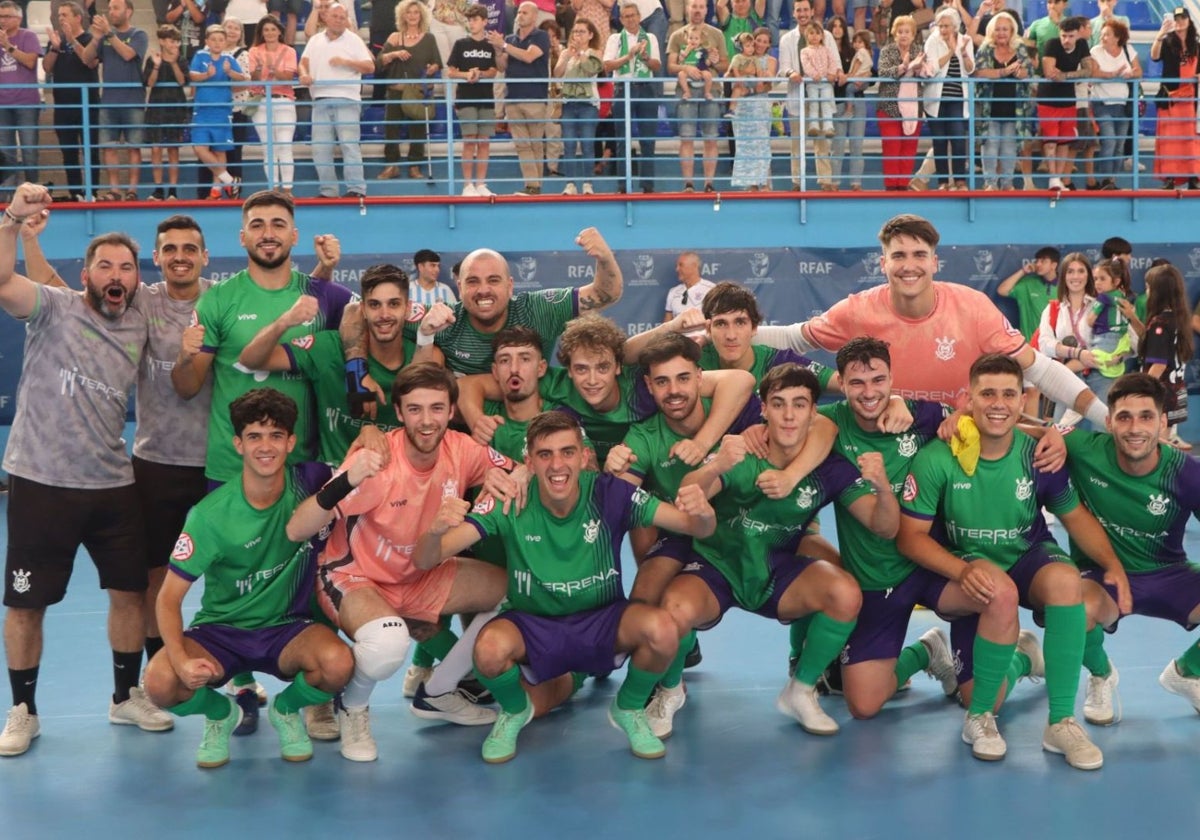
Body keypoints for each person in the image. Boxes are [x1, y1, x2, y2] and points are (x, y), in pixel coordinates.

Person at [416, 410, 718, 763]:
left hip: (601, 620)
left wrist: (704, 513)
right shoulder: (511, 499)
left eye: (567, 452)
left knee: (663, 630)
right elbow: (426, 560)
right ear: (529, 460)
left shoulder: (611, 494)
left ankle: (629, 708)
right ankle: (514, 711)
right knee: (488, 650)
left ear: (584, 456)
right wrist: (435, 530)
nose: (557, 465)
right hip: (535, 623)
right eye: (545, 455)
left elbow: (694, 527)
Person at [0, 183, 173, 757]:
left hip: (112, 484)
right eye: (105, 265)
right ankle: (23, 708)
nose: (115, 274)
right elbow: (4, 282)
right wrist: (12, 220)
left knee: (129, 593)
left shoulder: (141, 321)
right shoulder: (54, 308)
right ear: (87, 274)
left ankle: (125, 697)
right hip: (41, 480)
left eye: (126, 266)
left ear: (135, 276)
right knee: (27, 603)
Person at [898, 353, 1126, 770]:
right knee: (979, 688)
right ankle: (981, 712)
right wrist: (962, 570)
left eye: (1008, 393)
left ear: (1024, 401)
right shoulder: (938, 456)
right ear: (967, 399)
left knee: (1065, 582)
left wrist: (1114, 567)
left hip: (1026, 556)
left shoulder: (1038, 454)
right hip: (968, 567)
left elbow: (1074, 517)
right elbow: (910, 538)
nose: (998, 403)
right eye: (987, 393)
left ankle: (1061, 722)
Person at [285, 364, 523, 761]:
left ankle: (439, 690)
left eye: (436, 408)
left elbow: (520, 470)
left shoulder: (462, 449)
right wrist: (346, 480)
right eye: (415, 409)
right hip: (356, 575)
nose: (426, 421)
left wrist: (511, 479)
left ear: (451, 411)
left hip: (420, 572)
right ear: (398, 412)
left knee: (515, 592)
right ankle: (354, 707)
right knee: (387, 643)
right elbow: (297, 529)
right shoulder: (377, 462)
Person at [653, 364, 898, 738]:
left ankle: (800, 690)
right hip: (717, 567)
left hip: (776, 570)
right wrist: (716, 464)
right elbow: (691, 492)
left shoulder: (828, 467)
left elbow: (885, 527)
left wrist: (882, 488)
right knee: (672, 609)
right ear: (763, 409)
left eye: (799, 405)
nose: (788, 415)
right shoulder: (743, 450)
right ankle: (670, 691)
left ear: (814, 412)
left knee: (844, 592)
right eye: (778, 404)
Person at [142, 388, 353, 768]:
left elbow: (361, 464)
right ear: (238, 444)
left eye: (276, 435)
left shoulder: (312, 480)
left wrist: (369, 433)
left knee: (338, 664)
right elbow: (168, 599)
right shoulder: (208, 515)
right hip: (222, 630)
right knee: (159, 683)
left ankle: (286, 710)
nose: (265, 446)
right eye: (254, 436)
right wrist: (182, 661)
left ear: (291, 441)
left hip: (288, 628)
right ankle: (221, 714)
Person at [755, 214, 1110, 429]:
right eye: (898, 256)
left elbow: (1042, 371)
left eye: (919, 255)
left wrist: (1106, 418)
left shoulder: (973, 307)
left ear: (935, 262)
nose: (909, 265)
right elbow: (794, 337)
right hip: (888, 448)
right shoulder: (858, 310)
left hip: (954, 443)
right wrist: (723, 333)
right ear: (883, 264)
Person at [170, 190, 353, 485]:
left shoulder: (320, 295)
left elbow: (370, 322)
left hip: (302, 467)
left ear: (294, 236)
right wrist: (183, 357)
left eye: (278, 225)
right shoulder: (217, 300)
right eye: (257, 225)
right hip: (232, 469)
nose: (268, 234)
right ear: (243, 237)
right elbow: (187, 388)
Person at [1062, 374, 1200, 726]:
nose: (1134, 427)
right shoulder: (1084, 449)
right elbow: (1019, 426)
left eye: (1146, 416)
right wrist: (1047, 431)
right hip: (1102, 577)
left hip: (1170, 574)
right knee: (1072, 609)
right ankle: (1101, 673)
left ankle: (1187, 671)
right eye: (1124, 417)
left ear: (1163, 423)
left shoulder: (1185, 474)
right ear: (1108, 422)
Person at [238, 263, 416, 461]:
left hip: (397, 482)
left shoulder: (421, 355)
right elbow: (250, 359)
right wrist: (285, 322)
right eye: (375, 305)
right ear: (363, 309)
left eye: (394, 304)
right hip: (331, 480)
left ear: (407, 308)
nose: (384, 315)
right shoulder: (328, 348)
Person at [412, 228, 622, 375]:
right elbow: (383, 317)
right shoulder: (441, 319)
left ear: (510, 286)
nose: (483, 290)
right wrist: (424, 334)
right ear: (459, 287)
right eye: (473, 281)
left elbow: (606, 293)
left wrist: (605, 258)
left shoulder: (538, 310)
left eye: (493, 280)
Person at [299, 2, 374, 199]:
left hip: (346, 98)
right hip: (320, 99)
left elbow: (369, 66)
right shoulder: (315, 40)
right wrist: (304, 75)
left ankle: (356, 189)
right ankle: (328, 191)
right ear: (325, 17)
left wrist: (346, 62)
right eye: (336, 16)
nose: (339, 20)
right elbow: (303, 62)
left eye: (343, 17)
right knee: (320, 148)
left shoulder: (354, 40)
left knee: (349, 145)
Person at [81, 0, 149, 201]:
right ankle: (115, 190)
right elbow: (87, 60)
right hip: (109, 99)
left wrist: (109, 34)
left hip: (133, 100)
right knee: (108, 146)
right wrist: (95, 39)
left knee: (133, 146)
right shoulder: (104, 37)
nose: (111, 12)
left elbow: (128, 55)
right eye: (109, 8)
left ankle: (132, 190)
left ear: (128, 11)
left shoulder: (139, 35)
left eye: (116, 8)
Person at [489, 2, 552, 196]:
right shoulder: (510, 39)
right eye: (518, 12)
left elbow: (529, 57)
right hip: (513, 98)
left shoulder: (541, 36)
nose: (520, 15)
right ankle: (532, 185)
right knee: (522, 145)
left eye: (524, 12)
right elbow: (501, 67)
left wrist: (505, 46)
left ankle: (536, 185)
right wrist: (499, 51)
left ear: (534, 17)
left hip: (535, 97)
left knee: (535, 144)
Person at [667, 0, 729, 193]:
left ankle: (709, 184)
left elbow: (725, 66)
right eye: (694, 6)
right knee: (687, 138)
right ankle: (689, 184)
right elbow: (670, 67)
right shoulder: (677, 35)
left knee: (711, 138)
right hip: (686, 90)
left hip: (710, 89)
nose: (697, 10)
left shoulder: (717, 34)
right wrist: (686, 67)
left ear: (706, 10)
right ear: (687, 9)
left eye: (701, 6)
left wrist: (714, 62)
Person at [376, 0, 441, 182]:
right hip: (396, 91)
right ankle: (391, 166)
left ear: (422, 15)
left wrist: (431, 69)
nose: (412, 16)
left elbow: (437, 63)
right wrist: (394, 54)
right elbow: (379, 62)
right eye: (409, 12)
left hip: (417, 92)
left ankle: (415, 166)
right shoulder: (394, 37)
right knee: (391, 129)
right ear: (403, 16)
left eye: (416, 12)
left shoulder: (429, 38)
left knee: (418, 129)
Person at [42, 2, 101, 202]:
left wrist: (72, 40)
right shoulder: (57, 40)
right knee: (69, 152)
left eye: (65, 15)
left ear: (78, 17)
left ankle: (92, 192)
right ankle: (75, 192)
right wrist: (56, 48)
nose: (61, 19)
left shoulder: (90, 38)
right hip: (63, 105)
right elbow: (47, 67)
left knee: (90, 150)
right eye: (59, 16)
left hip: (87, 105)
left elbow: (90, 62)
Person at [780, 0, 841, 190]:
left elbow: (836, 63)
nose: (802, 13)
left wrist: (835, 73)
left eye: (806, 10)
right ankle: (797, 182)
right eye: (799, 10)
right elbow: (784, 67)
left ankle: (825, 182)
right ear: (794, 13)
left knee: (822, 142)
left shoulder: (827, 36)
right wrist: (792, 73)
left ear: (813, 11)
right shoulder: (787, 39)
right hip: (798, 96)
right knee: (797, 144)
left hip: (821, 96)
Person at [602, 1, 661, 194]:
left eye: (633, 15)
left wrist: (644, 58)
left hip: (646, 89)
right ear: (621, 20)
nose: (630, 19)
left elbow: (657, 66)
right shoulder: (615, 39)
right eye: (626, 16)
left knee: (648, 139)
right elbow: (607, 66)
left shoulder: (650, 37)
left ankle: (648, 186)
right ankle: (623, 186)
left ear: (639, 17)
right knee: (622, 139)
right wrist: (628, 56)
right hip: (623, 88)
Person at [973, 11, 1036, 191]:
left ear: (1012, 31)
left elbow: (1028, 73)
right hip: (989, 109)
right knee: (990, 148)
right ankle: (990, 183)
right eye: (998, 29)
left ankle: (1007, 183)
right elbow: (979, 72)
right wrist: (1004, 72)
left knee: (1009, 149)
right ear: (992, 31)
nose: (1001, 33)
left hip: (1014, 109)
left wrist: (1019, 73)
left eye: (1005, 29)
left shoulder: (1020, 49)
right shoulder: (985, 49)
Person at [447, 4, 500, 197]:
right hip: (466, 98)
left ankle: (481, 184)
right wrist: (466, 74)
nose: (472, 23)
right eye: (470, 20)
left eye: (476, 19)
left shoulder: (490, 45)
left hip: (486, 98)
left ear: (485, 21)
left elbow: (494, 71)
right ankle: (467, 185)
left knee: (484, 142)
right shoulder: (461, 44)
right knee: (469, 141)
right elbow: (450, 72)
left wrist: (482, 74)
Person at [189, 24, 247, 200]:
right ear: (207, 41)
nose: (217, 42)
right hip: (202, 111)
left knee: (220, 150)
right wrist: (206, 75)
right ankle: (229, 180)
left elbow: (244, 78)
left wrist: (230, 72)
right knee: (199, 148)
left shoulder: (229, 59)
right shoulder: (200, 56)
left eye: (221, 39)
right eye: (213, 39)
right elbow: (192, 75)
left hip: (222, 111)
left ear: (225, 42)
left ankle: (216, 191)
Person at [874, 15, 931, 191]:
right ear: (894, 34)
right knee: (892, 146)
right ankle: (891, 187)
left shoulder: (919, 51)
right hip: (889, 108)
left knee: (909, 148)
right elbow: (883, 72)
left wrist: (919, 68)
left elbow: (928, 72)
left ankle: (903, 185)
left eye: (907, 32)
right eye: (900, 32)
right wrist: (903, 68)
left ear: (913, 34)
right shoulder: (887, 51)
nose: (904, 35)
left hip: (913, 108)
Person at [1139, 263, 1192, 445]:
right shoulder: (1179, 319)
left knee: (1156, 449)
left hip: (1161, 394)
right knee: (1164, 445)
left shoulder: (1159, 324)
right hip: (1176, 391)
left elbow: (1159, 365)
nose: (1145, 292)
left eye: (1148, 287)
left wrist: (1139, 390)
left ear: (1157, 292)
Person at [1038, 16, 1093, 192]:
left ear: (1078, 35)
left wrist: (1066, 75)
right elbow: (1049, 73)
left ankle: (1058, 179)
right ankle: (1053, 179)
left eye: (1070, 36)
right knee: (1051, 142)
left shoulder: (1083, 45)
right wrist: (1072, 74)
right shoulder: (1052, 44)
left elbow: (1089, 71)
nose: (1066, 40)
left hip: (1069, 100)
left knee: (1064, 142)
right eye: (1063, 36)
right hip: (1048, 99)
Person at [923, 7, 974, 191]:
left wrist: (963, 52)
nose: (943, 29)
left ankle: (960, 180)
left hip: (957, 98)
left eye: (946, 26)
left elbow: (970, 69)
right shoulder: (932, 41)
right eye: (940, 26)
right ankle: (943, 181)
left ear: (955, 26)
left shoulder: (964, 40)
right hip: (936, 100)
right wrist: (951, 52)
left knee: (958, 139)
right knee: (940, 141)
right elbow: (932, 68)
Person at [247, 14, 299, 196]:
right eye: (266, 30)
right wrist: (261, 70)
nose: (269, 33)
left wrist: (273, 68)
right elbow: (253, 78)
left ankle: (287, 190)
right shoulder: (253, 51)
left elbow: (288, 78)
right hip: (261, 101)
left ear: (279, 32)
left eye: (273, 29)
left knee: (285, 145)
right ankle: (273, 189)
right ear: (261, 33)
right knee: (268, 147)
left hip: (284, 100)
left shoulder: (289, 51)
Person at [1149, 8, 1200, 190]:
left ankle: (1193, 177)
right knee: (1170, 140)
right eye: (1177, 19)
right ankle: (1170, 178)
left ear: (1189, 20)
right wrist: (1160, 35)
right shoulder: (1168, 40)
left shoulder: (1197, 43)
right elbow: (1154, 57)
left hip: (1191, 99)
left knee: (1190, 141)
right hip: (1170, 98)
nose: (1180, 22)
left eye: (1183, 18)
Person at [555, 17, 605, 196]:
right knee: (568, 144)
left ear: (590, 35)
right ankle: (570, 184)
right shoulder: (565, 52)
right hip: (568, 103)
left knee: (587, 144)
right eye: (575, 31)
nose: (577, 35)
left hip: (588, 104)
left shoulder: (595, 52)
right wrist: (567, 55)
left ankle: (587, 184)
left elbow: (591, 70)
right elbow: (557, 73)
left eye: (581, 32)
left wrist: (581, 53)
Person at [1090, 19, 1139, 190]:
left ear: (1117, 37)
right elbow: (1094, 73)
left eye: (1107, 35)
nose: (1102, 37)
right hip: (1102, 103)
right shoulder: (1095, 51)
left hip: (1123, 105)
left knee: (1119, 145)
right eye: (1102, 34)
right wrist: (1114, 74)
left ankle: (1112, 180)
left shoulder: (1127, 49)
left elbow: (1138, 71)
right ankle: (1104, 179)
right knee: (1109, 141)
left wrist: (1130, 74)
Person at [0, 0, 42, 197]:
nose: (3, 20)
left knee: (29, 151)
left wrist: (7, 46)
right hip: (2, 105)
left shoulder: (28, 36)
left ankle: (33, 192)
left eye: (7, 16)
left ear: (19, 18)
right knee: (5, 154)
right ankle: (7, 194)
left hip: (26, 102)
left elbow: (30, 62)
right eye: (0, 17)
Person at [142, 25, 188, 201]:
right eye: (170, 40)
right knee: (155, 148)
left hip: (176, 108)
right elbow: (149, 83)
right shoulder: (153, 60)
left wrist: (174, 62)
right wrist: (156, 66)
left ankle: (173, 190)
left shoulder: (182, 60)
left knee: (173, 149)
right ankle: (158, 188)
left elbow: (182, 81)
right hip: (157, 107)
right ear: (161, 41)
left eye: (176, 41)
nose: (174, 44)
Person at [831, 19, 870, 191]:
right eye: (834, 26)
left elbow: (871, 72)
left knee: (857, 145)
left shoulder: (855, 50)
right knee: (837, 146)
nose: (837, 29)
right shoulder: (826, 52)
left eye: (841, 26)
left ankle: (856, 183)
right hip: (837, 102)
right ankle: (834, 183)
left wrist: (865, 80)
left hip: (858, 101)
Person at [997, 245, 1061, 343]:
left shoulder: (1065, 287)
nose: (1038, 264)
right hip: (1030, 346)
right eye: (1037, 261)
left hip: (1056, 346)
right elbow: (1002, 290)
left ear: (1054, 265)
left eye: (1043, 261)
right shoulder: (1028, 284)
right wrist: (1023, 271)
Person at [800, 21, 837, 139]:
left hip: (826, 82)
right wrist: (814, 74)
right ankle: (813, 126)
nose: (814, 36)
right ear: (807, 35)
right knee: (814, 103)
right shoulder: (804, 51)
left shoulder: (826, 49)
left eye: (817, 33)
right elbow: (806, 65)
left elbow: (833, 62)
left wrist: (832, 73)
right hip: (812, 82)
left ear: (822, 36)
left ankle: (828, 127)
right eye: (811, 33)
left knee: (826, 103)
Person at [662, 250, 714, 321]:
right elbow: (667, 324)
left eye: (681, 265)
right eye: (677, 266)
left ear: (694, 266)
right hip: (678, 332)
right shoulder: (673, 292)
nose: (677, 269)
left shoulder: (711, 290)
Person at [675, 25, 713, 101]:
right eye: (690, 38)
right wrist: (686, 52)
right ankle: (687, 92)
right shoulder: (683, 48)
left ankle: (707, 92)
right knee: (680, 74)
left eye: (696, 38)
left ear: (700, 40)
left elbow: (707, 63)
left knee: (708, 75)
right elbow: (680, 60)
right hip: (687, 71)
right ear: (686, 39)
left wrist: (710, 58)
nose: (693, 41)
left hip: (700, 70)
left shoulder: (703, 50)